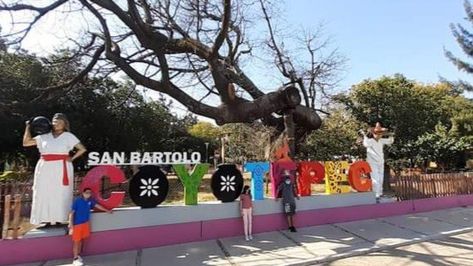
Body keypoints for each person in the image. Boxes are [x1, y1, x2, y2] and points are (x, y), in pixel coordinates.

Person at [23, 113, 87, 226]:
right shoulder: (44, 136)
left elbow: (82, 149)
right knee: (43, 192)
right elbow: (26, 142)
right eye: (55, 121)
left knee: (60, 193)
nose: (56, 124)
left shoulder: (68, 136)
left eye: (60, 122)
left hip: (61, 167)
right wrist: (28, 126)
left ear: (64, 124)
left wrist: (71, 159)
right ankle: (45, 219)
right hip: (45, 167)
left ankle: (59, 218)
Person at [69, 188, 112, 266]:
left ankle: (78, 255)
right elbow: (71, 213)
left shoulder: (90, 201)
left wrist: (107, 210)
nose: (88, 194)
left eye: (89, 193)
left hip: (85, 224)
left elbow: (98, 206)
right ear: (83, 193)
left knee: (81, 240)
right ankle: (75, 259)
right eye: (87, 192)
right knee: (76, 241)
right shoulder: (77, 201)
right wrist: (70, 224)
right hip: (77, 225)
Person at [360, 122, 394, 203]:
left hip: (380, 162)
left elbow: (390, 141)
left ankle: (380, 193)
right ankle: (376, 195)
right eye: (377, 133)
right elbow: (365, 144)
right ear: (373, 134)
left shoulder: (381, 140)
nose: (378, 135)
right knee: (375, 179)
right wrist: (364, 136)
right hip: (373, 162)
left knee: (381, 178)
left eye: (380, 133)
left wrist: (391, 134)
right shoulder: (370, 141)